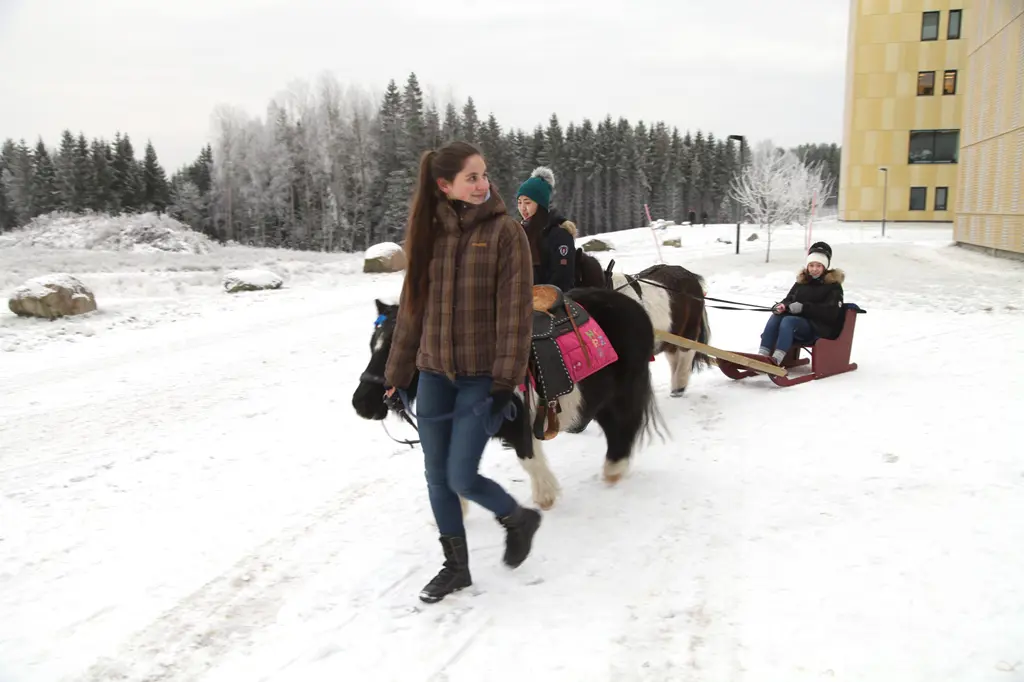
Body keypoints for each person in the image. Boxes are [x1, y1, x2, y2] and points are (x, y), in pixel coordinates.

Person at [383, 141, 542, 604]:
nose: (482, 184)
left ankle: (517, 516)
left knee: (460, 476)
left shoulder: (506, 233)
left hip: (480, 377)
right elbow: (412, 313)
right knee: (436, 476)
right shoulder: (427, 234)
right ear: (444, 185)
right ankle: (456, 567)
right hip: (433, 373)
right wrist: (396, 372)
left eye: (484, 175)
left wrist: (503, 383)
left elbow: (515, 316)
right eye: (471, 177)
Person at [758, 241, 845, 365]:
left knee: (789, 321)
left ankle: (776, 360)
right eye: (811, 265)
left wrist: (804, 308)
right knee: (776, 317)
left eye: (818, 266)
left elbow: (830, 312)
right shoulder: (802, 282)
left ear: (825, 267)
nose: (814, 269)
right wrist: (782, 306)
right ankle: (762, 355)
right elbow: (789, 299)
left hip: (819, 328)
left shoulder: (833, 286)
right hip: (800, 324)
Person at [516, 167, 577, 292]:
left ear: (541, 204)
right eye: (519, 202)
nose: (522, 208)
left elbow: (562, 277)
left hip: (551, 302)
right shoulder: (518, 233)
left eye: (527, 203)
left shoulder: (559, 235)